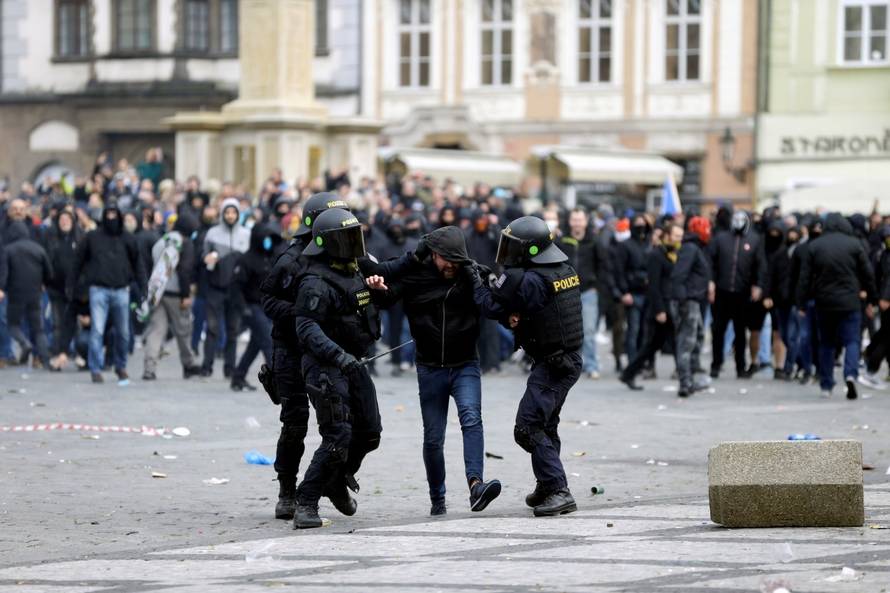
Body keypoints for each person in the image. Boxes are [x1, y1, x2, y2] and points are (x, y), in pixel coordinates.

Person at [383, 226, 503, 516]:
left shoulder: (471, 274)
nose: (450, 265)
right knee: (433, 438)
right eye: (444, 259)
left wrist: (475, 277)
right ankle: (437, 498)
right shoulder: (416, 274)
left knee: (472, 419)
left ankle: (476, 486)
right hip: (430, 367)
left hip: (465, 364)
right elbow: (385, 298)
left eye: (455, 260)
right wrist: (378, 286)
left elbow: (492, 307)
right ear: (434, 254)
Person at [469, 216, 583, 517]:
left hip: (554, 364)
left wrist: (477, 282)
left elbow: (491, 306)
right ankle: (547, 485)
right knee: (546, 425)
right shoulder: (562, 270)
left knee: (527, 427)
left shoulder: (531, 279)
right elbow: (538, 311)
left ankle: (558, 489)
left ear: (530, 250)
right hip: (565, 360)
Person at [292, 208, 391, 529]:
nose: (354, 244)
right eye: (346, 238)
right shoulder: (314, 282)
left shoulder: (352, 271)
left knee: (370, 433)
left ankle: (337, 479)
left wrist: (376, 293)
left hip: (354, 363)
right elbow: (307, 328)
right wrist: (338, 356)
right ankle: (305, 501)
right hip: (326, 366)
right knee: (338, 436)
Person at [260, 192, 350, 520]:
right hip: (290, 348)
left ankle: (333, 481)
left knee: (340, 421)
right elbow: (267, 298)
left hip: (326, 351)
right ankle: (287, 489)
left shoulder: (343, 257)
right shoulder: (291, 259)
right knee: (295, 421)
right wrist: (300, 314)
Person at [797, 213, 876, 399]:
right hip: (850, 301)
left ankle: (826, 384)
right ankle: (850, 373)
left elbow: (805, 278)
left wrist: (801, 302)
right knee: (852, 340)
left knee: (826, 343)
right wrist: (872, 299)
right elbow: (867, 274)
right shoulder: (854, 244)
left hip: (824, 302)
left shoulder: (815, 246)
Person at [75, 204, 145, 383]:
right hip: (99, 289)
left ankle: (120, 366)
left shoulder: (128, 238)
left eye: (115, 214)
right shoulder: (92, 237)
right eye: (109, 214)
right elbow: (78, 263)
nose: (111, 218)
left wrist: (143, 287)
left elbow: (138, 264)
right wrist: (75, 287)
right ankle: (96, 369)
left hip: (121, 290)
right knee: (97, 331)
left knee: (123, 333)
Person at [620, 222, 681, 391]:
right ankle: (686, 379)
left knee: (658, 345)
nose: (679, 239)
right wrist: (660, 309)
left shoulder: (674, 253)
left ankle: (628, 374)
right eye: (676, 236)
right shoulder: (656, 255)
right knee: (665, 344)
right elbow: (653, 285)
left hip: (669, 305)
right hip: (659, 308)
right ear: (667, 235)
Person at [141, 213, 201, 380]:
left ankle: (149, 368)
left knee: (156, 330)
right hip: (176, 294)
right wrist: (185, 294)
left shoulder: (161, 241)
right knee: (183, 330)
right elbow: (185, 271)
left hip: (157, 293)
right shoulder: (184, 243)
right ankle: (188, 364)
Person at [708, 211, 767, 379]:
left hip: (742, 293)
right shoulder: (721, 239)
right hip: (722, 292)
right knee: (718, 330)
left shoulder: (754, 240)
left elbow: (760, 265)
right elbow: (711, 261)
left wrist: (758, 285)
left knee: (740, 332)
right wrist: (711, 282)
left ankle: (740, 366)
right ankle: (716, 364)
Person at [200, 198, 250, 377]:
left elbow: (249, 261)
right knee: (212, 328)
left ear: (238, 214)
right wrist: (208, 259)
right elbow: (204, 255)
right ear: (222, 213)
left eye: (233, 212)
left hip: (236, 290)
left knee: (233, 330)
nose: (230, 215)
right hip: (215, 286)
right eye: (227, 212)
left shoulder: (246, 234)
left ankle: (229, 369)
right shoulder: (212, 233)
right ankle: (207, 367)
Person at [230, 224, 280, 391]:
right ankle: (277, 381)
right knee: (268, 341)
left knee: (255, 344)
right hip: (251, 306)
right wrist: (243, 308)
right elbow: (236, 286)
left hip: (267, 307)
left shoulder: (270, 258)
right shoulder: (246, 260)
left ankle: (238, 377)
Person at [0, 221, 53, 368]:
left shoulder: (8, 249)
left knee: (13, 325)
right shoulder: (38, 249)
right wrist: (43, 283)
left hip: (15, 294)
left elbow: (4, 272)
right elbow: (49, 273)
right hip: (35, 293)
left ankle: (24, 343)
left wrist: (2, 288)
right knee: (38, 328)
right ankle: (45, 359)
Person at [669, 217, 712, 397]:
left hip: (691, 300)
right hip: (687, 301)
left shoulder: (693, 248)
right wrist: (683, 300)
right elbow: (679, 275)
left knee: (697, 337)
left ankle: (690, 377)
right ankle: (685, 381)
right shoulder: (691, 248)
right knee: (687, 341)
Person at [559, 207, 601, 379]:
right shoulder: (561, 241)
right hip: (566, 292)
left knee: (589, 330)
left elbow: (602, 265)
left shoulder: (594, 242)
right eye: (574, 219)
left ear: (586, 221)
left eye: (580, 220)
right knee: (568, 332)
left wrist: (597, 285)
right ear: (569, 221)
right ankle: (572, 364)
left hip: (588, 291)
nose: (577, 223)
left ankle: (591, 365)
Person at [44, 209, 83, 370]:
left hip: (76, 290)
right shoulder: (51, 238)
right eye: (62, 218)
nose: (64, 221)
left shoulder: (80, 239)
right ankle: (59, 354)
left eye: (68, 218)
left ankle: (80, 354)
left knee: (78, 324)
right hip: (56, 289)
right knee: (58, 324)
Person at [763, 225, 802, 380]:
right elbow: (771, 275)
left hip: (795, 301)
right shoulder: (780, 254)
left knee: (791, 335)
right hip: (780, 301)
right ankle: (799, 362)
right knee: (784, 335)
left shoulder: (801, 253)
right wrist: (768, 295)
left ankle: (788, 366)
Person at [611, 215, 650, 364]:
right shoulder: (625, 245)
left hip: (647, 293)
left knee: (644, 331)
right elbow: (619, 271)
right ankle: (633, 362)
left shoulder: (648, 244)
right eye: (638, 224)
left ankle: (640, 361)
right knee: (633, 330)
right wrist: (624, 291)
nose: (641, 227)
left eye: (643, 224)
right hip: (632, 293)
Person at [861, 225, 890, 389]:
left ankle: (870, 359)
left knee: (884, 335)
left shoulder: (883, 254)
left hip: (883, 301)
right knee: (886, 337)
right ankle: (871, 368)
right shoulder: (883, 255)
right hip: (885, 302)